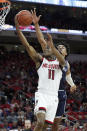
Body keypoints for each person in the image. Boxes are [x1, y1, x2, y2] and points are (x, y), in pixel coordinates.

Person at [15, 14, 66, 131]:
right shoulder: (40, 60)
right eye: (46, 48)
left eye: (49, 48)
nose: (46, 48)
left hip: (54, 98)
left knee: (44, 127)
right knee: (40, 121)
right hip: (42, 95)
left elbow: (61, 59)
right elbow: (28, 46)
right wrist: (18, 29)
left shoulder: (60, 62)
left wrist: (52, 46)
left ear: (54, 51)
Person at [31, 8, 77, 131]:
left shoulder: (66, 63)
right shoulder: (52, 56)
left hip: (60, 93)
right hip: (48, 93)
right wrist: (36, 24)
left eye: (62, 47)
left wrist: (72, 84)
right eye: (59, 47)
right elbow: (41, 39)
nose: (60, 48)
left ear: (66, 52)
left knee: (56, 124)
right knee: (42, 121)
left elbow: (67, 75)